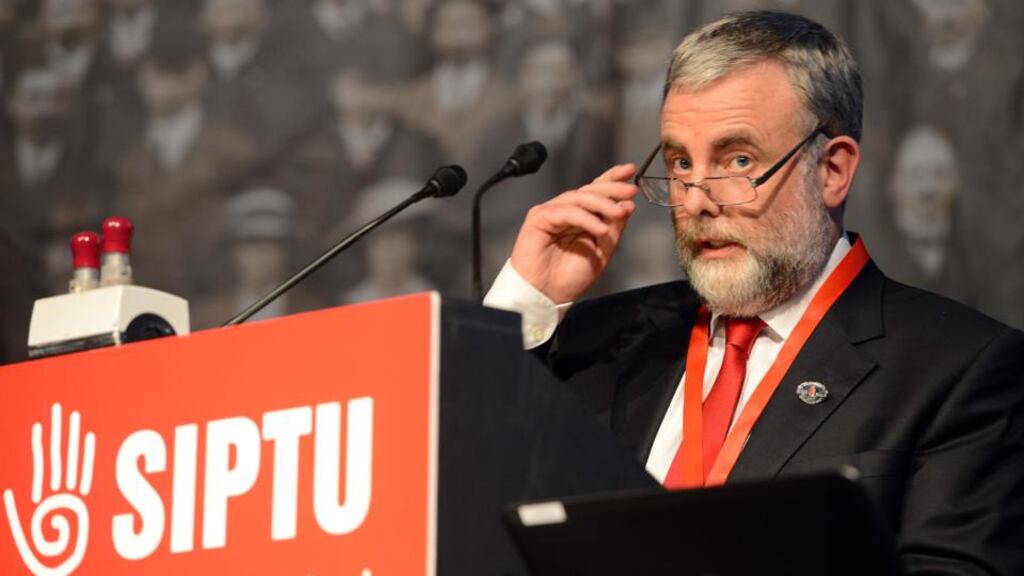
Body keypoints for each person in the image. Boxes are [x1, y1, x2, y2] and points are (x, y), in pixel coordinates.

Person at [484, 11, 1024, 575]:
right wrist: (526, 299)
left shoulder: (960, 370)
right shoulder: (601, 344)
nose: (696, 201)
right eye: (680, 163)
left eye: (738, 161)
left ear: (832, 170)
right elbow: (456, 483)